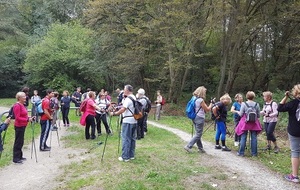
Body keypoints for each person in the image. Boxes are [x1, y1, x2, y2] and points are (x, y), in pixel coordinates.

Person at [277, 84, 300, 183]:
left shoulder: (292, 103)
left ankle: (294, 176)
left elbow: (280, 107)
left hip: (294, 131)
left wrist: (286, 96)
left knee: (295, 152)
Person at [110, 85, 137, 162]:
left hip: (127, 121)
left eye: (124, 89)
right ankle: (131, 155)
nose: (123, 91)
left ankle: (125, 156)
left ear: (128, 90)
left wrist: (114, 113)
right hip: (134, 120)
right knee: (132, 138)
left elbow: (123, 110)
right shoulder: (134, 97)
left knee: (125, 138)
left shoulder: (128, 99)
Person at [184, 86, 213, 153]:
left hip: (194, 117)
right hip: (200, 117)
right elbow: (207, 109)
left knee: (197, 133)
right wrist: (211, 103)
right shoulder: (200, 100)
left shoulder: (193, 98)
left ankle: (200, 148)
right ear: (202, 92)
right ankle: (188, 146)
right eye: (205, 92)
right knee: (198, 134)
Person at [236, 91, 262, 157]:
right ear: (254, 97)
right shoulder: (257, 104)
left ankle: (241, 153)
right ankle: (254, 153)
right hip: (254, 123)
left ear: (247, 96)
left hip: (245, 122)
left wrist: (237, 112)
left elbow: (241, 114)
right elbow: (258, 115)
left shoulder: (244, 104)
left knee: (243, 136)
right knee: (254, 137)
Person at [13, 92, 34, 163]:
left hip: (23, 125)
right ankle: (16, 158)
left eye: (25, 96)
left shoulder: (22, 105)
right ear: (19, 98)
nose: (25, 97)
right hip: (19, 126)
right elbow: (17, 117)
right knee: (18, 142)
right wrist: (27, 119)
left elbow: (24, 115)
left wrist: (29, 117)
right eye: (23, 96)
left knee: (21, 141)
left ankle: (20, 156)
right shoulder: (17, 105)